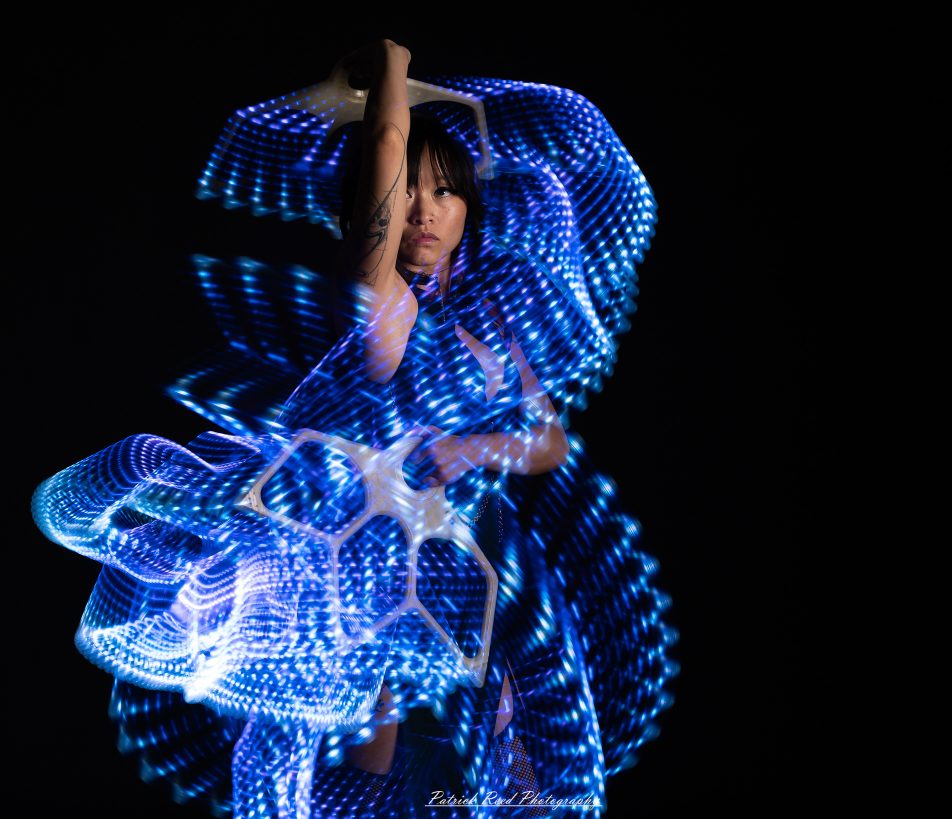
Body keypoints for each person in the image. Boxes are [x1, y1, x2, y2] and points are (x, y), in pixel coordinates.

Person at [32, 38, 677, 818]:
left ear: (470, 208)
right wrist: (389, 83)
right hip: (303, 540)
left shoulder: (491, 340)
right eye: (408, 191)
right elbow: (382, 158)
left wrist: (462, 446)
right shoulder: (389, 314)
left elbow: (548, 441)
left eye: (445, 193)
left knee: (426, 730)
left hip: (395, 558)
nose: (424, 209)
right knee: (289, 741)